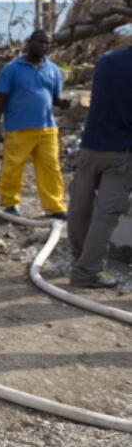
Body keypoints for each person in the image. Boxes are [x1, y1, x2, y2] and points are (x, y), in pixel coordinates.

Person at [67, 45, 132, 288]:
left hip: (90, 146)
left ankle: (78, 259)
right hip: (121, 153)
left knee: (79, 206)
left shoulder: (107, 59)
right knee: (106, 214)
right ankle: (87, 271)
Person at [0, 30, 68, 219]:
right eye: (40, 42)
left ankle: (54, 206)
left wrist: (64, 103)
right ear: (29, 42)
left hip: (47, 127)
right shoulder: (12, 69)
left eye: (47, 43)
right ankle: (10, 203)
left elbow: (55, 99)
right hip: (19, 127)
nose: (43, 46)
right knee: (13, 167)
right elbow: (1, 99)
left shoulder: (53, 70)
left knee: (51, 167)